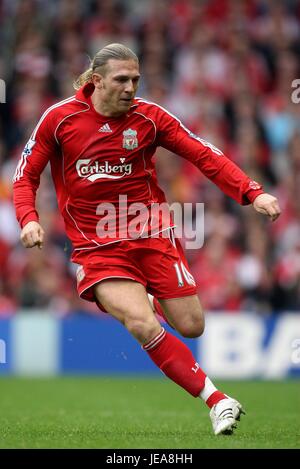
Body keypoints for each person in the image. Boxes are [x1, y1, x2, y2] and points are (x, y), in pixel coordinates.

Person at [13, 43, 281, 435]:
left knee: (191, 326)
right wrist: (29, 219)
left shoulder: (150, 118)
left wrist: (252, 192)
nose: (130, 87)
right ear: (96, 81)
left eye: (135, 79)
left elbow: (202, 153)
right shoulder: (59, 119)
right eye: (122, 79)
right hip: (97, 245)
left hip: (152, 233)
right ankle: (217, 400)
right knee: (141, 324)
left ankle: (150, 295)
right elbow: (25, 175)